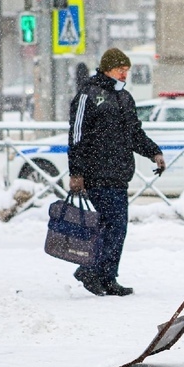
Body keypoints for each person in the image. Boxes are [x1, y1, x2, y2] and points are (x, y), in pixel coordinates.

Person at [68, 47, 166, 297]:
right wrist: (76, 172)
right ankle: (93, 271)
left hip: (119, 173)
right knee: (108, 225)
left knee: (116, 227)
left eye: (127, 70)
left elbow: (135, 133)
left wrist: (154, 152)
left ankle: (105, 275)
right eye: (120, 70)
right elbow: (76, 136)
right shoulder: (88, 95)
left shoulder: (125, 98)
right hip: (96, 172)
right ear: (106, 69)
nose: (124, 74)